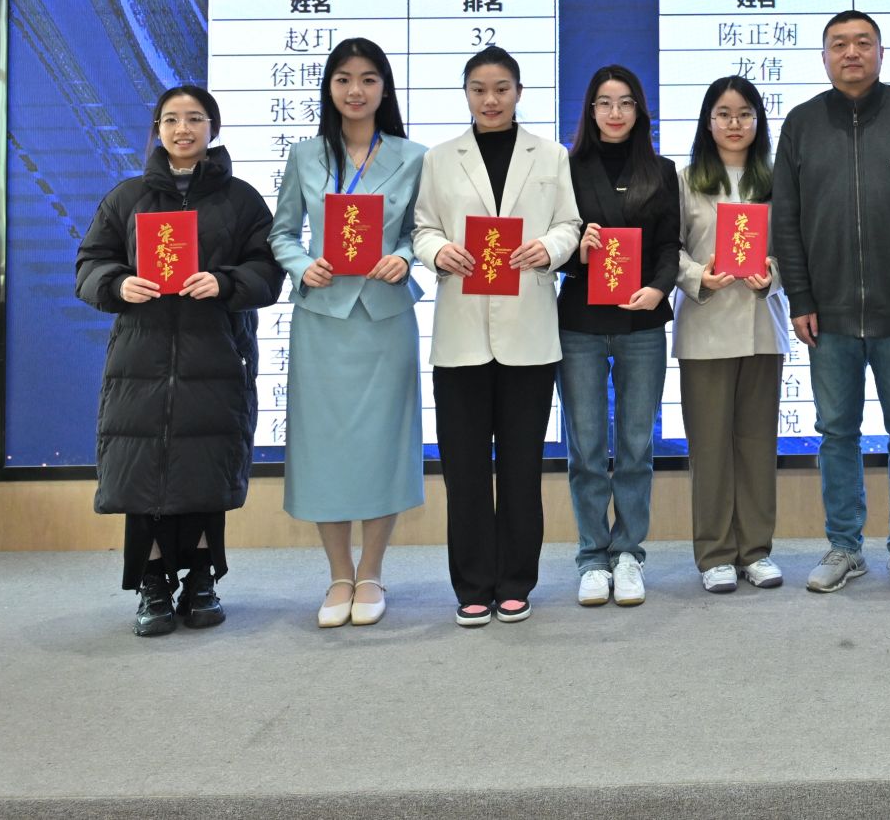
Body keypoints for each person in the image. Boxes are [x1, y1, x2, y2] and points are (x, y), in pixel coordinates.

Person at [74, 85, 284, 638]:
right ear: (157, 130)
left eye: (194, 118)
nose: (182, 128)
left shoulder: (241, 200)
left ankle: (201, 581)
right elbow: (89, 265)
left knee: (203, 466)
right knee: (141, 470)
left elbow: (268, 270)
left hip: (215, 354)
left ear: (213, 128)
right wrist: (118, 284)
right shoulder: (127, 197)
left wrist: (226, 281)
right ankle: (152, 584)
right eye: (171, 119)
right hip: (140, 360)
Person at [772, 9, 890, 597]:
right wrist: (800, 295)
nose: (851, 52)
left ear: (880, 51)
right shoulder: (801, 123)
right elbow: (786, 220)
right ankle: (845, 546)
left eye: (862, 42)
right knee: (835, 433)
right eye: (838, 44)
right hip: (826, 313)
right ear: (824, 56)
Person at [412, 46, 582, 627]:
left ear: (518, 93)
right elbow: (422, 228)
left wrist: (549, 248)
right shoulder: (439, 158)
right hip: (460, 335)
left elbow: (570, 224)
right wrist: (438, 251)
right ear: (466, 94)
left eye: (501, 88)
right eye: (479, 89)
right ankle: (471, 585)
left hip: (528, 334)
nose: (491, 100)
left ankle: (515, 581)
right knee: (463, 470)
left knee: (520, 467)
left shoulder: (551, 155)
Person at [268, 38, 425, 628]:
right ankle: (339, 574)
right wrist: (299, 264)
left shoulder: (413, 156)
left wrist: (404, 257)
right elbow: (282, 232)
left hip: (385, 318)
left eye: (368, 79)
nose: (355, 91)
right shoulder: (305, 155)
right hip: (323, 320)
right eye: (343, 79)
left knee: (384, 443)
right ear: (329, 87)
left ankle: (373, 572)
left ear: (385, 88)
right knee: (324, 447)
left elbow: (421, 231)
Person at [555, 64, 680, 609]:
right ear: (590, 110)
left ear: (639, 111)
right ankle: (591, 556)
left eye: (625, 102)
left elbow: (671, 245)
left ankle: (628, 553)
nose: (615, 113)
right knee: (585, 447)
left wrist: (658, 288)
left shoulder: (662, 170)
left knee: (635, 445)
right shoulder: (565, 167)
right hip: (579, 324)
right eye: (604, 103)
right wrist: (575, 253)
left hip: (642, 323)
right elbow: (551, 243)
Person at [672, 76, 791, 594]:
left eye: (745, 113)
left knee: (757, 444)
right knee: (710, 446)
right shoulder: (685, 180)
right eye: (723, 114)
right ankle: (716, 553)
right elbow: (669, 249)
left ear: (759, 121)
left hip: (762, 326)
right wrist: (699, 274)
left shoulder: (778, 179)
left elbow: (794, 245)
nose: (735, 123)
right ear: (708, 122)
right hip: (705, 328)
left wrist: (774, 274)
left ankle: (756, 550)